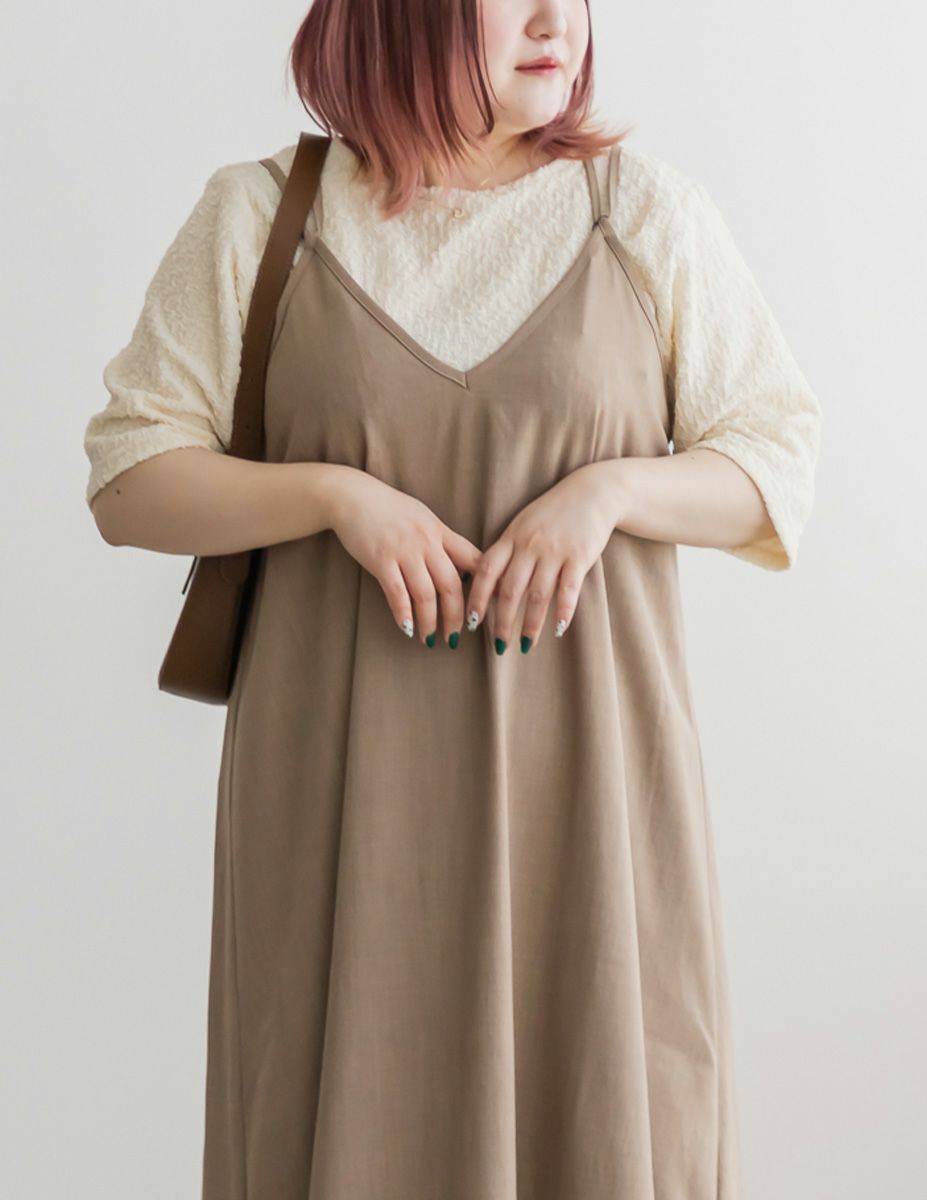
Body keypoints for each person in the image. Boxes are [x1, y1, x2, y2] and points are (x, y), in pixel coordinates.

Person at [82, 1, 823, 1197]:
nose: (554, 20)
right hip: (337, 800)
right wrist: (332, 495)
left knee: (611, 1117)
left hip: (593, 795)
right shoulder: (263, 215)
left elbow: (774, 465)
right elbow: (130, 477)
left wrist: (609, 492)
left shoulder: (641, 213)